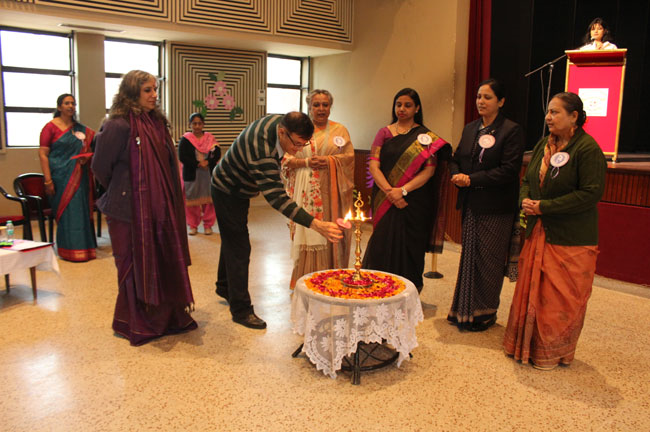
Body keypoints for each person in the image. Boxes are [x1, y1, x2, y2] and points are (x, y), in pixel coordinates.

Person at [92, 70, 197, 346]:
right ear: (131, 93)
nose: (154, 95)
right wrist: (125, 189)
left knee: (162, 259)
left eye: (155, 89)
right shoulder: (118, 126)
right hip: (127, 210)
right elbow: (100, 167)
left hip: (161, 208)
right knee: (131, 265)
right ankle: (136, 321)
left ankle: (166, 317)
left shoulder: (158, 123)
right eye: (147, 90)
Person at [503, 92, 607, 370]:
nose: (548, 117)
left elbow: (590, 194)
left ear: (574, 117)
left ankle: (552, 352)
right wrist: (525, 200)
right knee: (533, 293)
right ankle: (526, 347)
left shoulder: (587, 149)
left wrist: (545, 207)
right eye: (548, 111)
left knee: (561, 299)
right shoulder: (543, 145)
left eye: (555, 112)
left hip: (570, 238)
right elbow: (527, 180)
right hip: (538, 230)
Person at [212, 111, 343, 330]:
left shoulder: (283, 123)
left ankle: (225, 286)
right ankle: (241, 310)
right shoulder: (261, 150)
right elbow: (277, 198)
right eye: (297, 144)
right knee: (239, 246)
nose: (299, 149)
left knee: (232, 237)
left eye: (304, 144)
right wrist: (316, 224)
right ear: (282, 132)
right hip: (227, 188)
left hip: (241, 188)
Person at [447, 79, 525, 332]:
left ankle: (484, 313)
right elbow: (456, 158)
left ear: (501, 102)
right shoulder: (471, 128)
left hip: (496, 207)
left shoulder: (511, 130)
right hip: (471, 203)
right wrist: (456, 175)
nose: (481, 101)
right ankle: (463, 311)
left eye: (488, 97)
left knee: (489, 261)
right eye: (479, 96)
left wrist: (472, 179)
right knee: (470, 258)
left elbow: (509, 170)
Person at [362, 88, 451, 292]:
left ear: (417, 108)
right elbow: (374, 166)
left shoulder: (425, 137)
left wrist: (402, 190)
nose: (402, 109)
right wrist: (391, 192)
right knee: (382, 244)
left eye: (407, 105)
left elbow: (429, 170)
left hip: (414, 201)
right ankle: (379, 290)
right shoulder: (384, 133)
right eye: (398, 104)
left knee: (412, 247)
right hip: (385, 198)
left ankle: (407, 294)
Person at [281, 90, 355, 289]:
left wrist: (330, 161)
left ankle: (332, 276)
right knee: (308, 228)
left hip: (332, 192)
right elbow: (286, 160)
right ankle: (306, 279)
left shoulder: (340, 130)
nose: (321, 109)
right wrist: (306, 162)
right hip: (305, 192)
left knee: (331, 230)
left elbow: (349, 158)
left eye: (325, 105)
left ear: (330, 107)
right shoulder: (300, 129)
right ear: (309, 107)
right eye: (316, 105)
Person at [38, 93, 97, 262]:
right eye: (67, 103)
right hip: (60, 177)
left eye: (73, 103)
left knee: (80, 210)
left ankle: (85, 248)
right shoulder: (50, 127)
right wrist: (48, 180)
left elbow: (90, 148)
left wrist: (87, 157)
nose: (71, 106)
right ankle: (67, 248)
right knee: (67, 212)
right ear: (59, 107)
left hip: (79, 176)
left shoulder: (80, 129)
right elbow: (43, 154)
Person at [178, 112, 220, 236]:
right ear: (190, 125)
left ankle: (208, 225)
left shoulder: (210, 138)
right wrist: (198, 164)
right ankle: (193, 225)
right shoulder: (186, 139)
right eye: (194, 123)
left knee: (209, 201)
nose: (197, 126)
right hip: (192, 174)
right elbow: (182, 156)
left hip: (207, 174)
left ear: (203, 124)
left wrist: (208, 162)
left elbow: (217, 154)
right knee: (192, 201)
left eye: (199, 123)